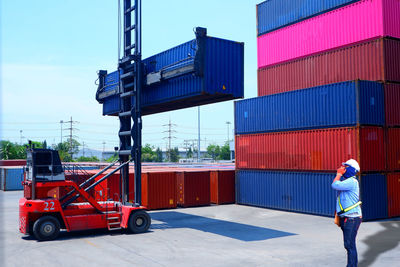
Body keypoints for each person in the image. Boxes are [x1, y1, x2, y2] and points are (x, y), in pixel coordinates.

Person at [331, 159, 362, 267]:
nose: (343, 168)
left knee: (349, 244)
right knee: (349, 244)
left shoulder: (351, 181)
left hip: (351, 219)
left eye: (345, 167)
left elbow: (334, 185)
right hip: (347, 218)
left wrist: (339, 174)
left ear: (351, 169)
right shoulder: (348, 182)